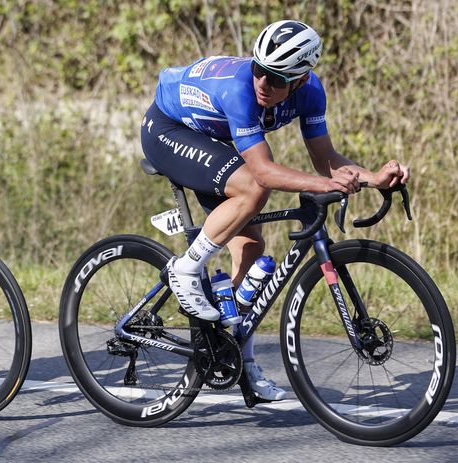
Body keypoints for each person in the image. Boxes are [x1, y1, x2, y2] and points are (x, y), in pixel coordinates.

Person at [140, 20, 410, 401]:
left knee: (251, 249)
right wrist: (325, 185)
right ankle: (186, 268)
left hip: (212, 139)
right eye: (260, 70)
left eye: (277, 78)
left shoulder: (311, 93)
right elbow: (264, 173)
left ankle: (237, 360)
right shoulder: (240, 90)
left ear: (301, 79)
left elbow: (326, 160)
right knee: (253, 188)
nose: (263, 83)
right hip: (168, 129)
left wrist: (375, 178)